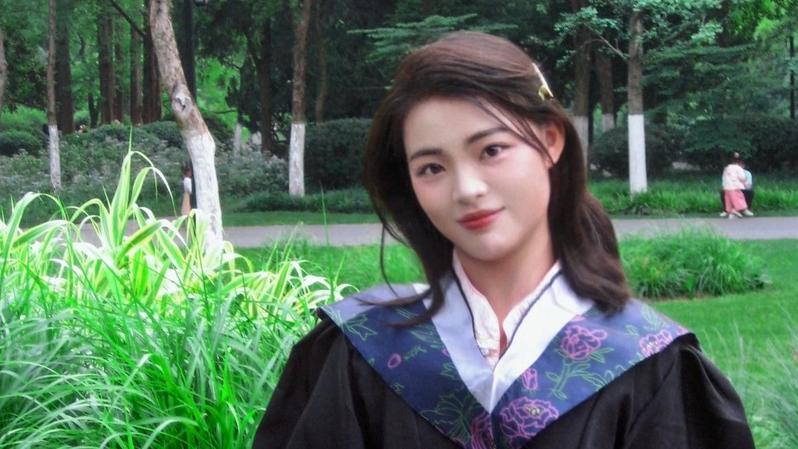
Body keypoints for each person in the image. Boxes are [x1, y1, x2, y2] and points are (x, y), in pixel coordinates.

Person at [253, 32, 754, 449]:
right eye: (431, 167)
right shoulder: (362, 352)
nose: (466, 189)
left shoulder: (648, 363)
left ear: (550, 141)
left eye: (491, 150)